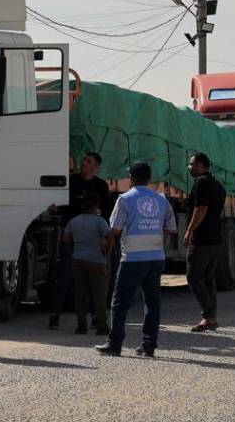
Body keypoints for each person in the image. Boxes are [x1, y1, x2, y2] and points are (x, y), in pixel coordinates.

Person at [96, 162, 176, 357]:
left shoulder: (124, 199)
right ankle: (149, 346)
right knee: (152, 302)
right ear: (149, 179)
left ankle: (114, 344)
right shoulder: (161, 199)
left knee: (119, 302)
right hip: (156, 258)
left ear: (131, 179)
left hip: (132, 258)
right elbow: (170, 228)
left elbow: (114, 229)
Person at [49, 152, 111, 329]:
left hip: (92, 240)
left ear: (96, 166)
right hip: (72, 236)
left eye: (88, 161)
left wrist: (104, 242)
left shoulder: (100, 186)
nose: (83, 163)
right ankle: (54, 316)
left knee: (93, 283)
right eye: (83, 160)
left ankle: (93, 320)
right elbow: (60, 203)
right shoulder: (71, 181)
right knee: (64, 278)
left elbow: (106, 212)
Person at [184, 152, 227, 332]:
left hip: (202, 239)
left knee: (193, 276)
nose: (189, 167)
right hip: (215, 239)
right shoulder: (218, 185)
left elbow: (201, 208)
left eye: (192, 164)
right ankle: (212, 317)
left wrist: (190, 230)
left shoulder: (201, 182)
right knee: (208, 278)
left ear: (201, 165)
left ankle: (208, 316)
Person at [64, 193, 113, 335]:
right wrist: (107, 251)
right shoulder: (100, 221)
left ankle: (81, 326)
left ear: (82, 206)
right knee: (99, 294)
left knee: (80, 294)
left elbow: (66, 238)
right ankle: (101, 326)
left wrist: (76, 244)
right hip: (97, 260)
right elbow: (109, 235)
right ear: (96, 206)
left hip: (78, 259)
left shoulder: (74, 221)